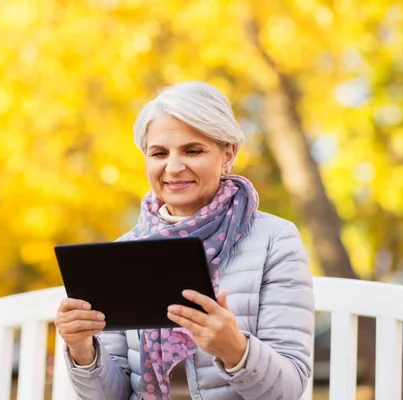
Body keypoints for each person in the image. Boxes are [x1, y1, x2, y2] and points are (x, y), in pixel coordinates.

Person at [54, 81, 314, 400]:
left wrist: (235, 349)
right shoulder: (124, 251)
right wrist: (82, 350)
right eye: (159, 153)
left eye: (193, 150)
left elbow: (288, 390)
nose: (174, 167)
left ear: (228, 154)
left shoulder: (275, 240)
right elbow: (113, 395)